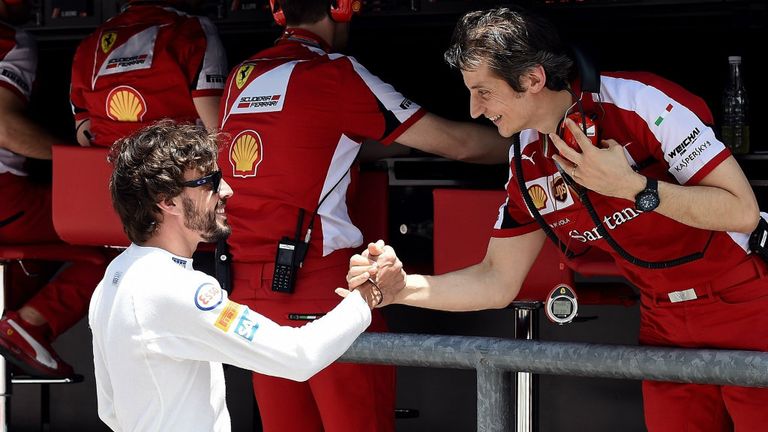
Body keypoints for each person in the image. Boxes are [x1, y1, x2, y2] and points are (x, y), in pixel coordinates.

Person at [347, 7, 767, 432]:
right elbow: (496, 279)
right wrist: (401, 290)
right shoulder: (527, 162)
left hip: (748, 303)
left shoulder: (638, 102)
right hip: (662, 321)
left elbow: (742, 211)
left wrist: (634, 188)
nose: (474, 111)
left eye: (483, 92)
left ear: (532, 79)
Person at [217, 0, 511, 430]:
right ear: (342, 8)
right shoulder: (335, 73)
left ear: (278, 12)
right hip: (325, 291)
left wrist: (396, 137)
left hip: (251, 297)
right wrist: (539, 147)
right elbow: (459, 144)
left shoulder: (241, 77)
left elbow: (314, 145)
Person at [89, 120, 387, 432]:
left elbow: (109, 410)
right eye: (209, 183)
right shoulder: (178, 289)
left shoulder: (115, 277)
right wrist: (366, 297)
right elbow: (298, 356)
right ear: (168, 202)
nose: (227, 191)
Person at [0, 0, 108, 379]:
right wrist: (78, 161)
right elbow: (5, 129)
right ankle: (29, 325)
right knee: (113, 236)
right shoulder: (11, 40)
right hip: (5, 199)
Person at [69, 0, 227, 147]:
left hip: (105, 170)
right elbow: (218, 131)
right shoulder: (193, 29)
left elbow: (84, 135)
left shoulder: (89, 44)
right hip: (178, 168)